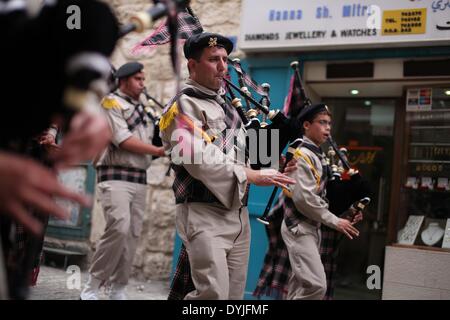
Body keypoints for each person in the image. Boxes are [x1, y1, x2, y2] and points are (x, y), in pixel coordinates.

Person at [160, 32, 295, 300]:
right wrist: (251, 174)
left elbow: (244, 154)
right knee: (213, 296)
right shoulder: (182, 106)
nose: (223, 66)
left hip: (239, 215)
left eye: (225, 59)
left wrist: (273, 165)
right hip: (203, 212)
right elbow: (198, 159)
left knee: (233, 297)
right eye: (213, 59)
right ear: (192, 66)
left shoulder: (230, 106)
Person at [80, 62, 165, 300]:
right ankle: (92, 286)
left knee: (132, 234)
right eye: (138, 79)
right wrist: (158, 151)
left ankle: (118, 288)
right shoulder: (110, 103)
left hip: (139, 177)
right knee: (118, 226)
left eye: (143, 79)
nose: (142, 83)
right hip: (114, 174)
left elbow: (155, 138)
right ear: (123, 80)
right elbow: (122, 140)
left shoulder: (146, 108)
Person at [279, 103, 360, 300]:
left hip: (311, 227)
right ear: (306, 125)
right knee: (316, 286)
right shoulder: (302, 154)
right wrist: (335, 221)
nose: (328, 128)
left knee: (299, 288)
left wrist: (347, 209)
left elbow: (323, 192)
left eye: (329, 124)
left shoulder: (317, 153)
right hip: (299, 226)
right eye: (322, 122)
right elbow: (304, 199)